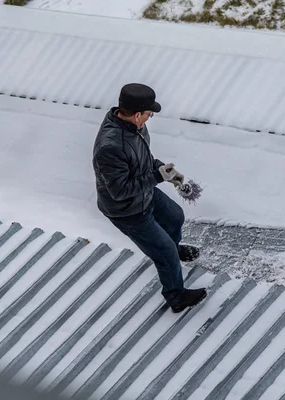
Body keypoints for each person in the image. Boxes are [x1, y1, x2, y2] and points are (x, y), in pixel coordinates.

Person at [92, 83, 207, 313]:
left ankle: (174, 250)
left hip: (143, 192)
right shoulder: (111, 146)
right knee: (163, 251)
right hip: (127, 209)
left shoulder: (135, 128)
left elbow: (142, 159)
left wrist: (164, 171)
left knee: (175, 216)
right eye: (148, 113)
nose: (150, 116)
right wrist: (156, 176)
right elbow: (119, 191)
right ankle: (176, 296)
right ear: (137, 115)